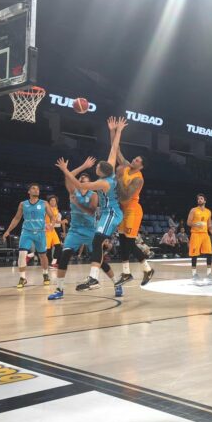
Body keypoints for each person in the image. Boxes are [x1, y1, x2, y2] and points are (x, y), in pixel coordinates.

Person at [55, 117, 127, 292]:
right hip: (78, 228)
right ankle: (60, 289)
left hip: (104, 218)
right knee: (71, 253)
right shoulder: (108, 171)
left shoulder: (100, 185)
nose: (95, 169)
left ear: (101, 172)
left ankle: (102, 280)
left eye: (96, 168)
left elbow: (81, 187)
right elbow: (114, 149)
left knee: (98, 247)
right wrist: (116, 131)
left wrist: (65, 170)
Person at [48, 158, 117, 299]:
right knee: (64, 256)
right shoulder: (73, 191)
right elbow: (69, 176)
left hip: (91, 231)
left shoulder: (94, 195)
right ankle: (59, 289)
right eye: (80, 179)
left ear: (89, 184)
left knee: (100, 262)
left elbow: (91, 211)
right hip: (74, 230)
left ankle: (117, 283)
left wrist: (77, 204)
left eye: (85, 180)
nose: (82, 181)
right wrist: (83, 166)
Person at [110, 118, 154, 287]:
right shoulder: (126, 166)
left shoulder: (138, 179)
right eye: (134, 159)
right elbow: (116, 150)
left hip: (132, 210)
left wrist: (119, 177)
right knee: (122, 241)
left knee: (129, 243)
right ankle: (128, 273)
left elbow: (126, 197)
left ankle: (146, 269)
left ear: (141, 166)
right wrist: (114, 131)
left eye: (137, 161)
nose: (133, 160)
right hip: (123, 209)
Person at [3, 183, 56, 288]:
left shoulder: (44, 203)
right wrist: (8, 230)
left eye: (38, 189)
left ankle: (45, 274)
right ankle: (22, 278)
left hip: (40, 232)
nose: (36, 190)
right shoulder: (23, 204)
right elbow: (16, 218)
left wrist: (51, 225)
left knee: (42, 255)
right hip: (26, 232)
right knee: (22, 254)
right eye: (33, 188)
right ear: (29, 191)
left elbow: (52, 217)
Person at [187, 194, 212, 281]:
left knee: (209, 253)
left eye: (201, 198)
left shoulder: (208, 212)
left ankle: (209, 273)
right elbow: (188, 222)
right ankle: (194, 274)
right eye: (198, 199)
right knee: (194, 254)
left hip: (205, 234)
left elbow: (209, 225)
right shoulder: (193, 210)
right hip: (195, 234)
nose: (199, 200)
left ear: (205, 201)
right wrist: (196, 224)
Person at [45, 195, 66, 268]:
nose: (53, 201)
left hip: (52, 230)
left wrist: (62, 221)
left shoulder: (56, 210)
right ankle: (48, 262)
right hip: (46, 230)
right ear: (49, 202)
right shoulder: (46, 209)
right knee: (47, 248)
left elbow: (55, 220)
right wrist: (45, 225)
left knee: (58, 246)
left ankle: (53, 262)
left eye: (54, 200)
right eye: (51, 200)